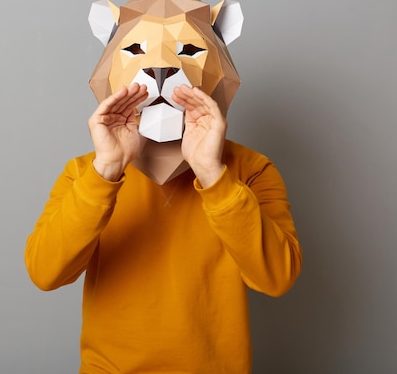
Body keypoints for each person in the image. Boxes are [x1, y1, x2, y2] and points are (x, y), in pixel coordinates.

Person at [24, 82, 302, 373]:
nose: (160, 76)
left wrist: (211, 172)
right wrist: (107, 169)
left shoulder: (250, 168)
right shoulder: (86, 172)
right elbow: (45, 273)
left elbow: (278, 277)